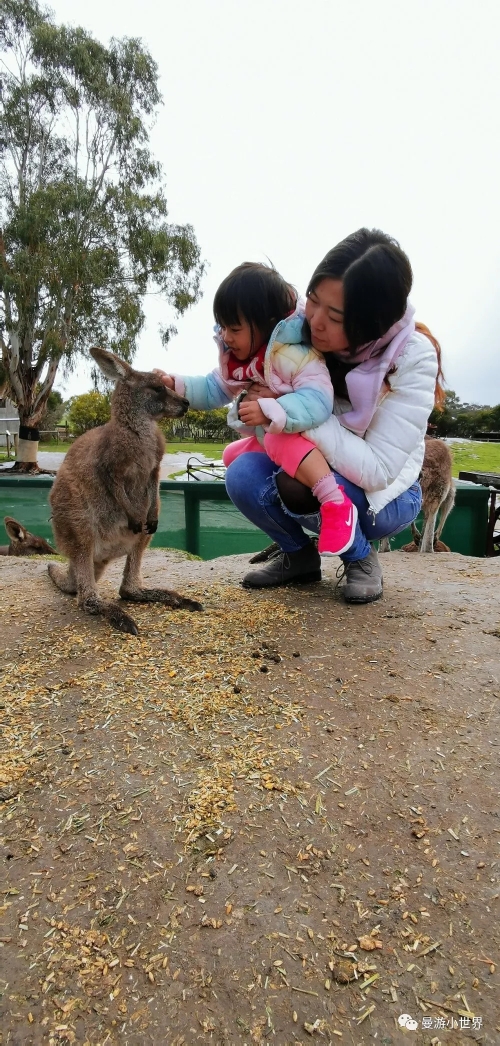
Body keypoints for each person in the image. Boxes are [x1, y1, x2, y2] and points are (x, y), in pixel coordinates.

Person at [224, 228, 445, 603]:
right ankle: (299, 557)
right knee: (243, 475)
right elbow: (247, 405)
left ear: (371, 323)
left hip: (386, 496)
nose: (316, 321)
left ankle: (360, 557)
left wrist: (292, 411)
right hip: (321, 469)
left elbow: (377, 470)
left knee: (305, 484)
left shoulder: (412, 358)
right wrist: (254, 403)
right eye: (313, 299)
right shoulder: (295, 331)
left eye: (336, 316)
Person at [157, 262, 359, 555]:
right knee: (232, 457)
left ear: (268, 323)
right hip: (276, 440)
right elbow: (215, 387)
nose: (226, 336)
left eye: (235, 328)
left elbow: (318, 400)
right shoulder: (248, 359)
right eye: (222, 327)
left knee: (277, 439)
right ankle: (296, 550)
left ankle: (335, 502)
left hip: (307, 440)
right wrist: (176, 386)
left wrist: (270, 409)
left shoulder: (294, 355)